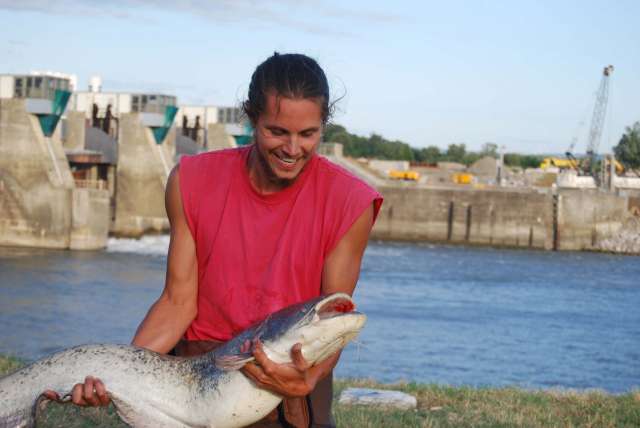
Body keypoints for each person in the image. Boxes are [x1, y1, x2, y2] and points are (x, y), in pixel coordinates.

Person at [44, 52, 383, 427]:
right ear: (252, 117)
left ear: (324, 125)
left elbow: (333, 322)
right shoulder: (191, 180)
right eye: (277, 131)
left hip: (292, 378)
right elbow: (177, 302)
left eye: (308, 134)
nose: (292, 149)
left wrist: (309, 379)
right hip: (193, 373)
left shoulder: (351, 203)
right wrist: (118, 375)